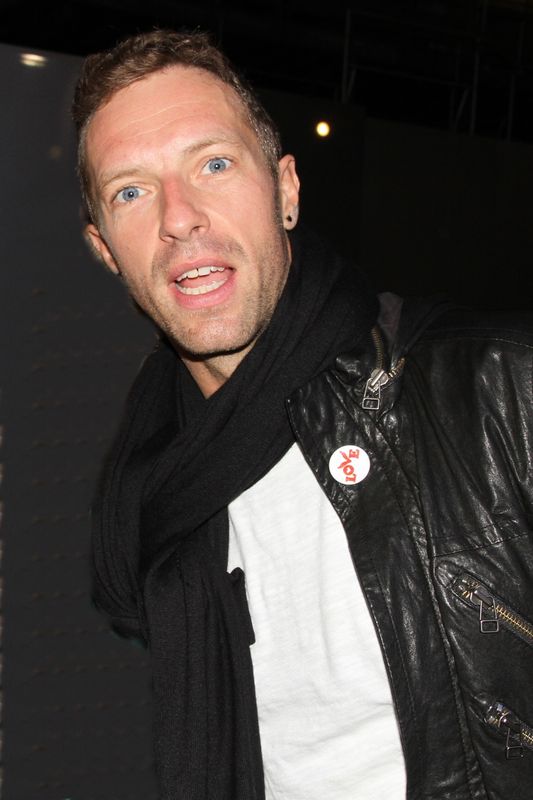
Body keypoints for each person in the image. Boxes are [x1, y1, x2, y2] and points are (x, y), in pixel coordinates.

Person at [72, 28, 533, 800]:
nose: (179, 217)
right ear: (105, 250)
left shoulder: (497, 390)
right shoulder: (152, 496)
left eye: (213, 164)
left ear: (285, 191)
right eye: (131, 191)